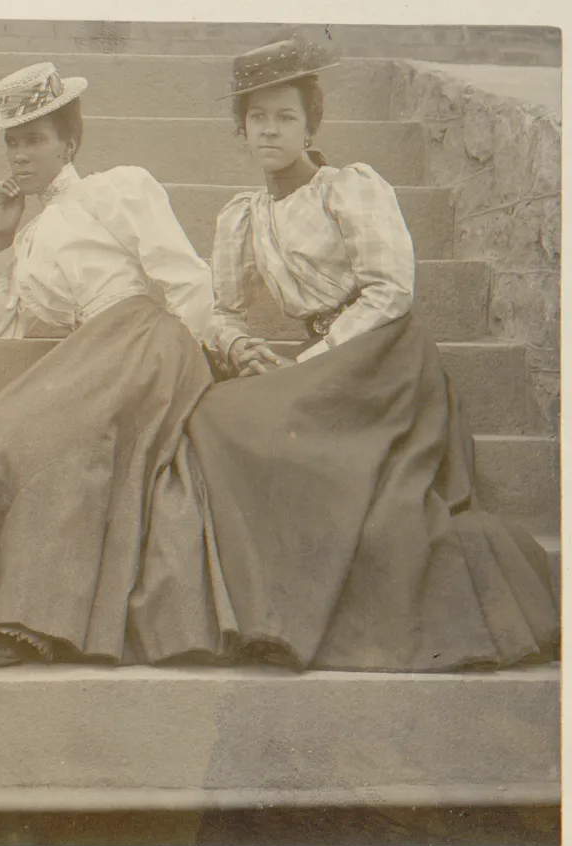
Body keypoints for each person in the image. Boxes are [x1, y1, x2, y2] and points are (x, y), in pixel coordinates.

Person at [179, 35, 558, 671]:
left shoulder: (347, 189)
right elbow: (222, 309)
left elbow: (390, 290)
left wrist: (317, 359)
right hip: (323, 361)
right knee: (216, 416)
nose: (270, 131)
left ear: (311, 124)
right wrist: (241, 345)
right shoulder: (239, 218)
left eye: (285, 117)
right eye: (257, 119)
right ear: (240, 128)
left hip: (382, 353)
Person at [0, 62, 218, 668]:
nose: (19, 155)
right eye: (12, 142)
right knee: (1, 425)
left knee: (56, 435)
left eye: (34, 139)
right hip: (89, 353)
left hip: (145, 339)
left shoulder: (117, 188)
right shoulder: (34, 235)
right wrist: (1, 240)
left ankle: (31, 624)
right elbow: (4, 327)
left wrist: (195, 360)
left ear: (69, 143)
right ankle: (7, 607)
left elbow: (185, 275)